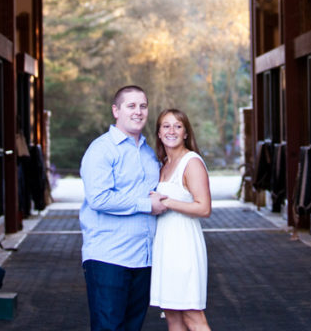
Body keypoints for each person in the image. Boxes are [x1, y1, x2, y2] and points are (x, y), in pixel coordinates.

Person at [80, 85, 168, 331]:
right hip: (109, 257)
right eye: (131, 106)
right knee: (109, 327)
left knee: (132, 327)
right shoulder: (101, 150)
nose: (138, 112)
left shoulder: (149, 153)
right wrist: (146, 205)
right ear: (116, 111)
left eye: (143, 106)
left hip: (143, 258)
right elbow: (99, 198)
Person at [149, 109, 212, 331]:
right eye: (166, 126)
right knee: (173, 316)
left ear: (186, 133)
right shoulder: (163, 164)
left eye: (178, 126)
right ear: (158, 133)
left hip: (184, 246)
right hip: (165, 246)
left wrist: (165, 202)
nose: (171, 130)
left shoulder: (191, 162)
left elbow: (204, 208)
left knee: (193, 315)